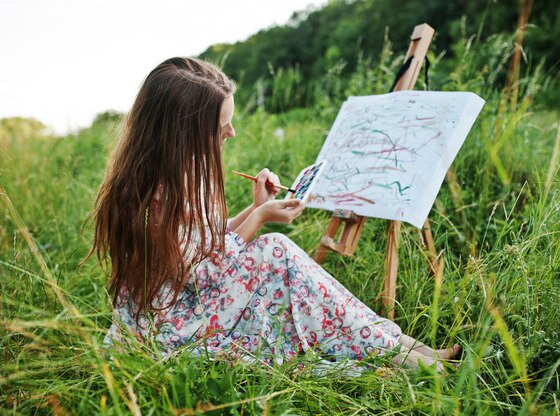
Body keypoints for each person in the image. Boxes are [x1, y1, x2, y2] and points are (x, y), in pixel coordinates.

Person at [88, 56, 460, 371]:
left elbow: (204, 241)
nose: (231, 133)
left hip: (191, 305)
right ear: (183, 132)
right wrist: (261, 216)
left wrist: (253, 207)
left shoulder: (177, 168)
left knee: (276, 255)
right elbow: (202, 274)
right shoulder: (153, 191)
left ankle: (399, 344)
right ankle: (399, 352)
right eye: (221, 125)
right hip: (171, 329)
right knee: (274, 251)